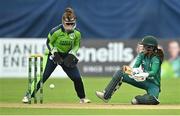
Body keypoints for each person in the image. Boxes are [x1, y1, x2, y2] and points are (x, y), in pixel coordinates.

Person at [22, 7, 91, 103]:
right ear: (63, 22)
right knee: (43, 76)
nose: (70, 26)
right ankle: (28, 95)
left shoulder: (77, 33)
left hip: (67, 56)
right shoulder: (55, 31)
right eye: (68, 24)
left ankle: (82, 98)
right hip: (52, 55)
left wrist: (72, 53)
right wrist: (54, 52)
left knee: (77, 78)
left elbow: (76, 45)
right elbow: (48, 43)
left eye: (72, 24)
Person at [96, 36, 164, 105]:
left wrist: (144, 74)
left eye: (144, 46)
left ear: (150, 48)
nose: (142, 47)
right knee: (120, 73)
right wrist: (133, 72)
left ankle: (138, 100)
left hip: (153, 84)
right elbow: (135, 66)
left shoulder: (156, 58)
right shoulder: (142, 55)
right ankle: (106, 96)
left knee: (152, 99)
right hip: (143, 80)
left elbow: (154, 72)